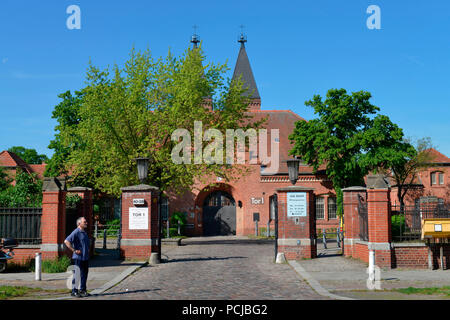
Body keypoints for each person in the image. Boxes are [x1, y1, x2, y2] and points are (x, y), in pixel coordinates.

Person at [64, 217, 91, 298]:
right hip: (78, 258)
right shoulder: (76, 232)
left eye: (86, 221)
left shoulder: (84, 232)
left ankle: (83, 290)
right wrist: (74, 250)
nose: (86, 223)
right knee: (77, 275)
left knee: (84, 275)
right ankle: (74, 291)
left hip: (85, 258)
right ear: (79, 223)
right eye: (84, 222)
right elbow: (66, 241)